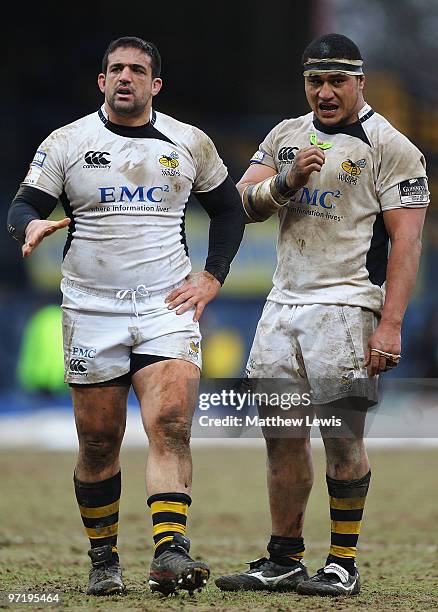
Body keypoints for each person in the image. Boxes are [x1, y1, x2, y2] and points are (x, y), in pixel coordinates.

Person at [8, 36, 244, 597]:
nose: (125, 77)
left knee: (169, 424)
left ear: (154, 85)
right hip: (91, 308)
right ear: (101, 81)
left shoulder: (189, 142)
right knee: (97, 440)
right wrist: (29, 226)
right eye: (116, 69)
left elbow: (229, 207)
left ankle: (169, 552)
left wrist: (212, 275)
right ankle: (103, 558)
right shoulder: (67, 142)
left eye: (137, 70)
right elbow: (24, 205)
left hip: (166, 306)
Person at [215, 33, 429, 597]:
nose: (326, 92)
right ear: (304, 82)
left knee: (341, 437)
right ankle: (284, 557)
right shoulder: (286, 135)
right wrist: (287, 181)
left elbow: (407, 246)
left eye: (338, 81)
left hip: (348, 305)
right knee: (281, 436)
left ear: (360, 81)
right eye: (315, 80)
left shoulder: (391, 146)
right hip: (283, 305)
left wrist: (391, 323)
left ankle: (342, 565)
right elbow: (244, 202)